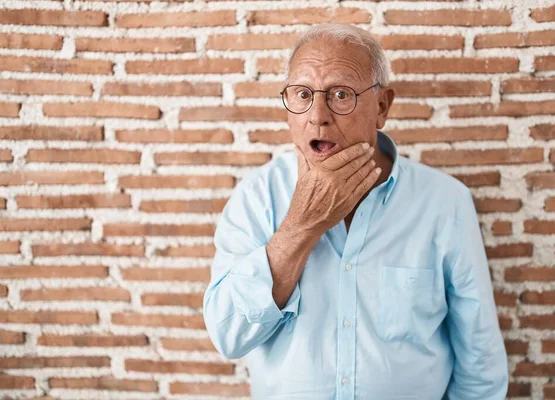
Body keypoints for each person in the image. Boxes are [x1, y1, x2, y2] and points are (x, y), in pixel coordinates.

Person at [203, 23, 508, 400]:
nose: (317, 116)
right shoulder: (255, 198)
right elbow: (228, 335)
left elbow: (481, 363)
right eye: (302, 94)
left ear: (382, 107)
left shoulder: (445, 202)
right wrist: (301, 225)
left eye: (341, 94)